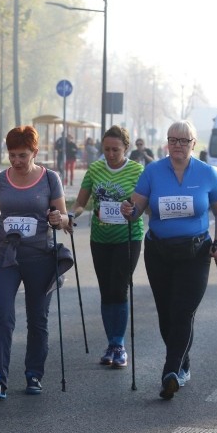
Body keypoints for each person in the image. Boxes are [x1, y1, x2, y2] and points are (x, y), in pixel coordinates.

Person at [121, 120, 217, 400]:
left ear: (194, 143)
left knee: (183, 311)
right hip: (159, 253)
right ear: (166, 143)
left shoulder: (208, 174)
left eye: (184, 141)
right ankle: (183, 364)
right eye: (173, 140)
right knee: (166, 314)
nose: (178, 145)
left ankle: (170, 372)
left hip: (195, 253)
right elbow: (136, 210)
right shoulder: (153, 172)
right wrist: (128, 210)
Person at [0, 125, 71, 399]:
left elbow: (65, 219)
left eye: (22, 155)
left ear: (35, 152)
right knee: (2, 315)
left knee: (37, 318)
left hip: (39, 256)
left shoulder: (49, 179)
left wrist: (59, 219)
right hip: (5, 256)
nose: (16, 161)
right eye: (12, 155)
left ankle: (34, 374)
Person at [72, 125, 144, 368]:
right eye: (106, 150)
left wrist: (133, 210)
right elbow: (82, 203)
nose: (111, 154)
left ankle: (119, 344)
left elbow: (145, 206)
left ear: (126, 148)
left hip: (128, 237)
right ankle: (110, 343)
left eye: (116, 150)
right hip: (100, 239)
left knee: (119, 287)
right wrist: (73, 215)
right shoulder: (95, 169)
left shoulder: (137, 171)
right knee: (106, 290)